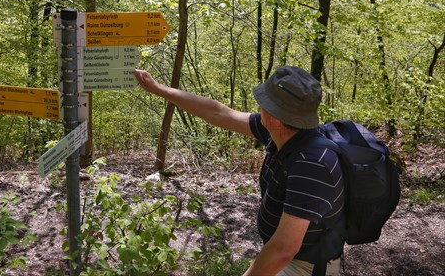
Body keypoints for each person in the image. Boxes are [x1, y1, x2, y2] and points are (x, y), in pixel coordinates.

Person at [133, 66, 345, 276]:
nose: (259, 107)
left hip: (304, 267)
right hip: (288, 258)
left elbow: (283, 249)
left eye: (264, 103)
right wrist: (159, 89)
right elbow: (218, 113)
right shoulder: (282, 131)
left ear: (274, 118)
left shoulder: (312, 164)